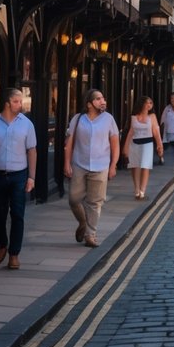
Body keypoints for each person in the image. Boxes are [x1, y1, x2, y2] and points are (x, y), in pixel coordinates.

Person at [0, 88, 37, 269]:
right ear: (7, 103)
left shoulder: (27, 124)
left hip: (19, 175)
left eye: (21, 101)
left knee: (18, 215)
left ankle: (14, 254)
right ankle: (2, 247)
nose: (21, 104)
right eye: (17, 101)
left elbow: (32, 151)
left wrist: (32, 177)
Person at [64, 89, 120, 248]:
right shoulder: (78, 119)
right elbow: (69, 143)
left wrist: (113, 165)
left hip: (101, 165)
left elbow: (115, 144)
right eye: (98, 99)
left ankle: (91, 234)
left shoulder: (109, 119)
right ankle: (83, 222)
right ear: (89, 104)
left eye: (103, 98)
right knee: (74, 199)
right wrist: (66, 163)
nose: (103, 101)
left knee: (95, 202)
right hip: (79, 164)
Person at [122, 96, 163, 199]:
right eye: (147, 103)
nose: (149, 105)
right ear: (141, 104)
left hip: (148, 143)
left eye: (151, 103)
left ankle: (142, 190)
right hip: (134, 143)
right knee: (135, 166)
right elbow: (131, 132)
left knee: (145, 165)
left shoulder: (152, 116)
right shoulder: (134, 117)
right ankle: (136, 189)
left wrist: (159, 145)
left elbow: (156, 131)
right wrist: (126, 147)